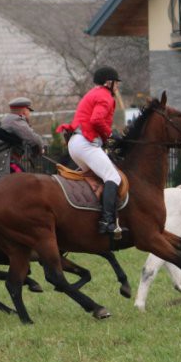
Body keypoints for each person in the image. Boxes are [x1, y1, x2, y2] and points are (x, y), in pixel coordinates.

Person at [65, 66, 122, 236]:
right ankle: (106, 221)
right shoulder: (105, 96)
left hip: (76, 143)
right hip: (85, 143)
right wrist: (112, 134)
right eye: (116, 83)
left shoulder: (92, 93)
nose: (117, 87)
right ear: (109, 82)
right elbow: (96, 120)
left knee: (96, 179)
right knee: (113, 177)